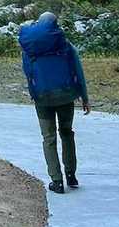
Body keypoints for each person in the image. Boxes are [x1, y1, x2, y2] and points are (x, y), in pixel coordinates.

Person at [17, 11, 90, 194]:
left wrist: (34, 93)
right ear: (54, 24)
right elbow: (78, 70)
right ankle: (71, 175)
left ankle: (56, 181)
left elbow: (28, 73)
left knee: (48, 138)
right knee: (67, 133)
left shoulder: (29, 48)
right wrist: (84, 97)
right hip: (66, 95)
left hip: (43, 98)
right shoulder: (65, 45)